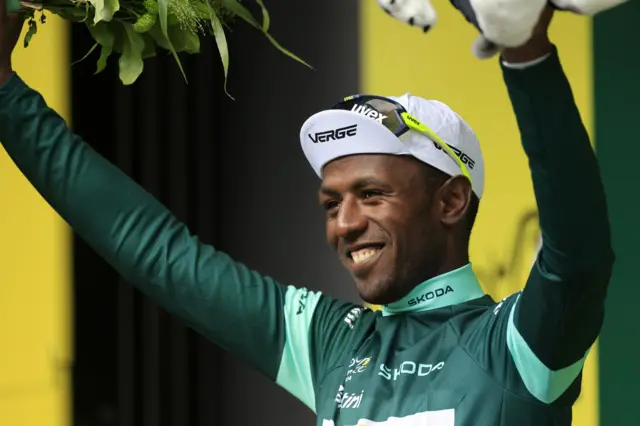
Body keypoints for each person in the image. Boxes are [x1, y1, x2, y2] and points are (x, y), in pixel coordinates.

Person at [0, 2, 613, 425]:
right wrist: (6, 94)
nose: (343, 224)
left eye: (371, 195)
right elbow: (156, 252)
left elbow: (578, 255)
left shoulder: (514, 344)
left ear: (450, 201)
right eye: (331, 203)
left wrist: (526, 56)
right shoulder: (334, 343)